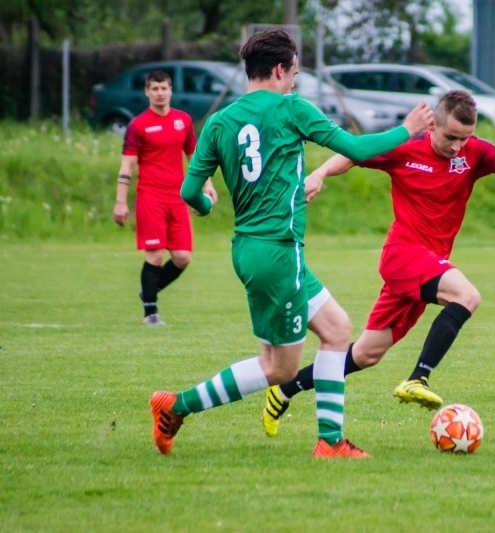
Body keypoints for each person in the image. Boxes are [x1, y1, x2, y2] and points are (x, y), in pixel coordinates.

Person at [149, 29, 433, 458]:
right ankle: (178, 406)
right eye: (295, 73)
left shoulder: (218, 123)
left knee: (337, 330)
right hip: (278, 252)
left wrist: (208, 206)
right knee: (277, 367)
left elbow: (190, 192)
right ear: (279, 69)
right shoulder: (291, 108)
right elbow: (355, 147)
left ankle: (330, 440)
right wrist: (406, 130)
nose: (295, 83)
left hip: (251, 249)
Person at [260, 89, 495, 437]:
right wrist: (320, 175)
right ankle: (418, 377)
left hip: (429, 263)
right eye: (450, 137)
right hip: (404, 255)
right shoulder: (406, 148)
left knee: (364, 354)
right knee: (467, 296)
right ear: (432, 123)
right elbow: (352, 154)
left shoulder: (474, 152)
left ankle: (285, 389)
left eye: (463, 138)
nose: (456, 146)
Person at [113, 70, 218, 326]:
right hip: (150, 197)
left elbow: (196, 157)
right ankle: (151, 313)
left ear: (171, 91)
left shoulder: (183, 120)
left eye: (164, 88)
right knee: (156, 255)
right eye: (155, 89)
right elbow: (127, 166)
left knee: (182, 257)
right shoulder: (138, 125)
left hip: (178, 198)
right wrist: (120, 201)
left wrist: (208, 185)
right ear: (147, 92)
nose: (160, 93)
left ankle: (148, 291)